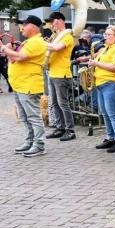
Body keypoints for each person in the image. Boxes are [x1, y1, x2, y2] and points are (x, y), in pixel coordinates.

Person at [0, 16, 47, 157]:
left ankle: (39, 145)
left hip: (29, 85)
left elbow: (20, 57)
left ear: (33, 27)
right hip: (20, 84)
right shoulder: (28, 42)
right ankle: (30, 141)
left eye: (24, 25)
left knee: (33, 116)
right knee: (24, 117)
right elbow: (14, 59)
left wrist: (3, 48)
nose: (22, 28)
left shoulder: (37, 42)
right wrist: (8, 51)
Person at [89, 25, 115, 153]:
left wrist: (96, 63)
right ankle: (110, 138)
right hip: (101, 83)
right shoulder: (106, 48)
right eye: (105, 34)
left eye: (109, 35)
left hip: (113, 83)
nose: (105, 37)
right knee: (105, 114)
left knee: (113, 114)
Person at [44, 12, 77, 141]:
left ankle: (70, 130)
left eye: (52, 21)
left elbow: (57, 48)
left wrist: (39, 44)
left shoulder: (67, 36)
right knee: (55, 103)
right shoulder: (56, 35)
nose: (51, 24)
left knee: (63, 103)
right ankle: (60, 127)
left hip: (62, 74)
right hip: (52, 72)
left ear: (59, 21)